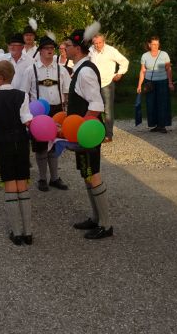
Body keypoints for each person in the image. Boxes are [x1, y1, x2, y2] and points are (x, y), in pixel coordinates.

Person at [63, 30, 113, 240]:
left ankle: (106, 224)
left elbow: (96, 105)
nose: (64, 48)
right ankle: (96, 218)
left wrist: (80, 128)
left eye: (67, 45)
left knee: (93, 173)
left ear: (77, 48)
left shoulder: (85, 72)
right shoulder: (80, 69)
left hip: (88, 134)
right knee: (87, 173)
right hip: (83, 134)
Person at [0, 61, 34, 245]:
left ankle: (17, 232)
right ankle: (28, 232)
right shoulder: (22, 95)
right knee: (22, 184)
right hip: (21, 142)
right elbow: (26, 119)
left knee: (10, 184)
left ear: (0, 78)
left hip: (4, 143)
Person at [22, 35, 71, 191]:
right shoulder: (31, 70)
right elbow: (24, 95)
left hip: (57, 111)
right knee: (41, 146)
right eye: (46, 48)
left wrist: (66, 112)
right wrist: (27, 116)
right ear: (40, 51)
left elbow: (67, 93)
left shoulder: (61, 70)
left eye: (52, 48)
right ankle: (42, 178)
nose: (50, 51)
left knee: (55, 145)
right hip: (38, 113)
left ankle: (54, 178)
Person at [89, 34, 129, 142]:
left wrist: (119, 73)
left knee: (107, 110)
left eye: (99, 43)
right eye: (95, 43)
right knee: (94, 109)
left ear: (104, 42)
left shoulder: (111, 51)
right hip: (93, 84)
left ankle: (108, 135)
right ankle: (96, 133)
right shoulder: (90, 50)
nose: (97, 45)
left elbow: (124, 61)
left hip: (106, 83)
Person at [136, 36, 174, 133]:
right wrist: (139, 85)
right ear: (149, 45)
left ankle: (162, 125)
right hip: (149, 83)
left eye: (157, 44)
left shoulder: (164, 54)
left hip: (162, 81)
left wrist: (170, 82)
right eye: (153, 44)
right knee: (151, 104)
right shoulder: (145, 56)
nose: (155, 46)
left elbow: (168, 69)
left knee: (163, 103)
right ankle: (155, 125)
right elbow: (142, 71)